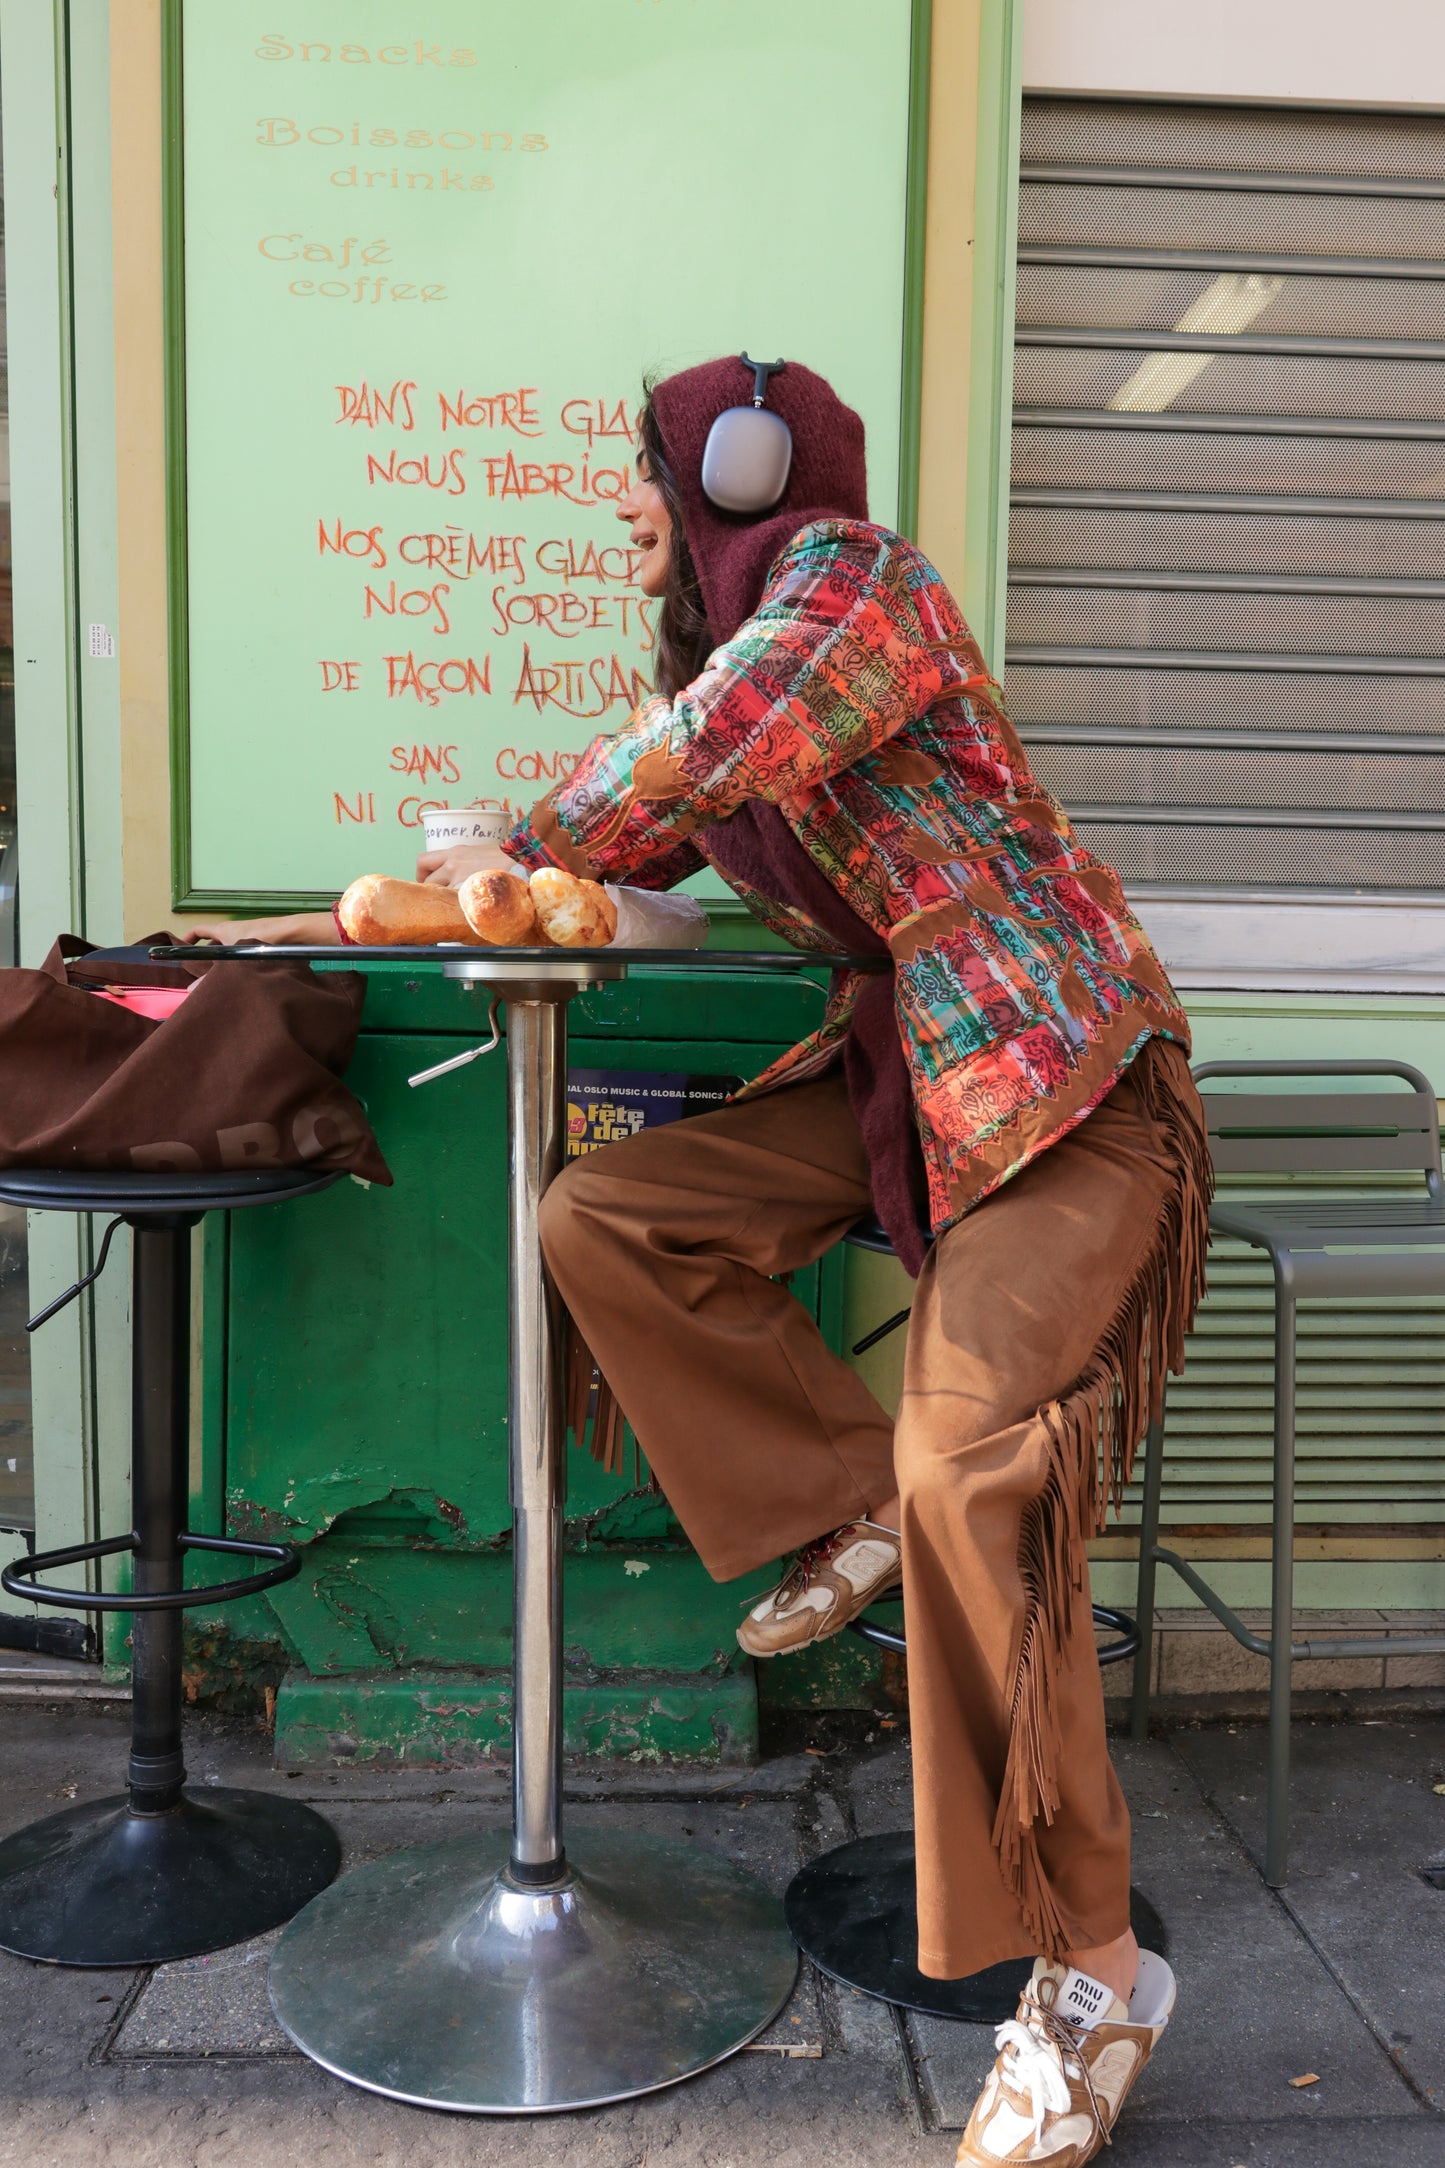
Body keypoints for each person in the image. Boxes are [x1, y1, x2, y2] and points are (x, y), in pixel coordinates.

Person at [190, 356, 1208, 2167]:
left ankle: (1095, 1973)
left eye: (645, 472)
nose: (627, 508)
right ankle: (840, 1503)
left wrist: (525, 847)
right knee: (609, 1213)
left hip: (1060, 1090)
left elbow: (703, 752)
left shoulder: (846, 589)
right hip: (909, 1082)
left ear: (739, 468)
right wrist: (358, 903)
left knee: (973, 1469)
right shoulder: (730, 655)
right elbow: (642, 827)